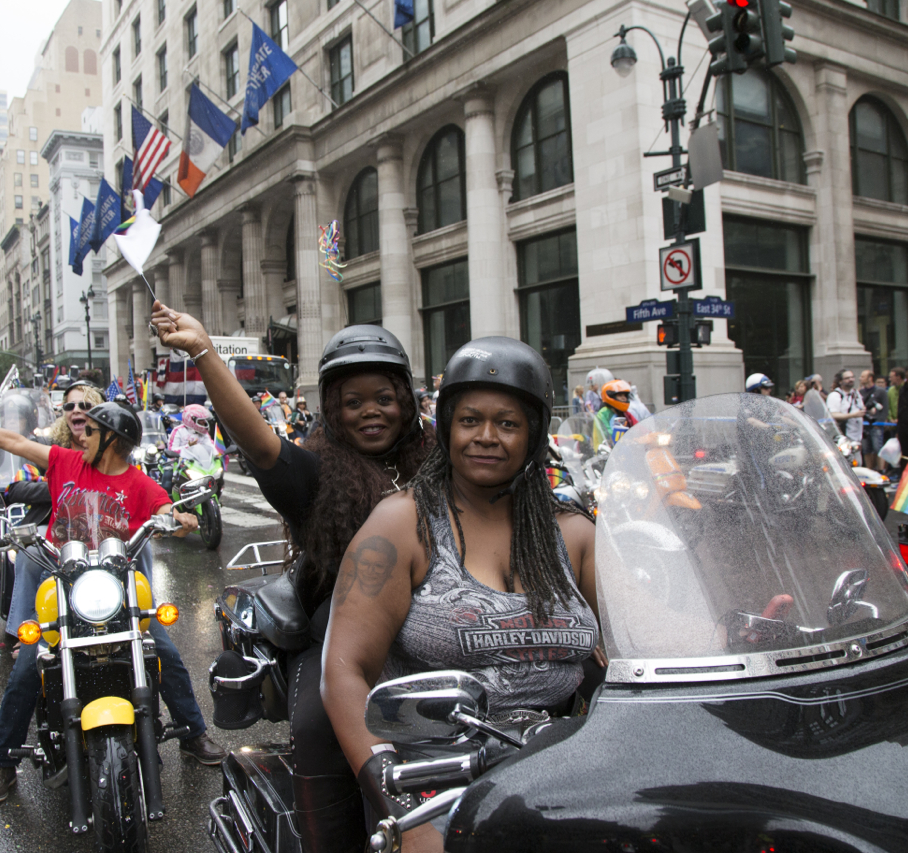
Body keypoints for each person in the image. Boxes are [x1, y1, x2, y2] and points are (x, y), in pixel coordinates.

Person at [151, 300, 432, 853]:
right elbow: (258, 442)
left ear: (406, 402)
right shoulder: (315, 474)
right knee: (318, 728)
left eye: (383, 398)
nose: (371, 412)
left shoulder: (439, 465)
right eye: (353, 403)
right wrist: (205, 353)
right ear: (331, 409)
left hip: (439, 628)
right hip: (336, 641)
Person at [321, 338, 601, 853]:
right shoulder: (402, 523)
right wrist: (402, 810)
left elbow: (634, 654)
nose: (486, 437)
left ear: (534, 434)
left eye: (508, 423)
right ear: (447, 427)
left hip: (563, 770)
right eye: (470, 420)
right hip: (430, 776)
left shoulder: (574, 534)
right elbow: (344, 672)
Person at [0, 398, 223, 804]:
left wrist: (181, 520)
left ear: (113, 441)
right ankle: (2, 763)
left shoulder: (139, 484)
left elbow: (164, 509)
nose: (81, 435)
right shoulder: (65, 462)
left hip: (116, 592)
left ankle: (192, 733)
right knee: (30, 666)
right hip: (64, 587)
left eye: (92, 431)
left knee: (163, 653)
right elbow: (12, 441)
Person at [0, 388, 51, 645]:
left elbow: (54, 480)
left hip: (35, 510)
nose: (11, 423)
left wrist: (29, 490)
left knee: (48, 552)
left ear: (28, 420)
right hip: (4, 510)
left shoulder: (41, 446)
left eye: (17, 418)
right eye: (7, 419)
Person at [859, 370, 889, 469]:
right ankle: (869, 469)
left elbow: (885, 408)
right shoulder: (861, 392)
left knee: (878, 448)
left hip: (876, 424)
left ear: (870, 378)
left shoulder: (880, 391)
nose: (860, 379)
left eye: (863, 376)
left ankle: (881, 469)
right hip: (865, 424)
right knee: (866, 449)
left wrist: (880, 422)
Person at [826, 370, 864, 445]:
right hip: (842, 437)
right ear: (840, 381)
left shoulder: (856, 394)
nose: (851, 379)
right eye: (847, 378)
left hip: (857, 437)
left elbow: (861, 408)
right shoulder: (835, 395)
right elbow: (832, 415)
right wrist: (853, 415)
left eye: (852, 377)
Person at [594, 379, 636, 447]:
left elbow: (638, 427)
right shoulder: (603, 413)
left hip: (627, 449)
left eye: (625, 395)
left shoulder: (626, 413)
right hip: (609, 451)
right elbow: (606, 434)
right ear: (610, 395)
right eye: (620, 395)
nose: (624, 398)